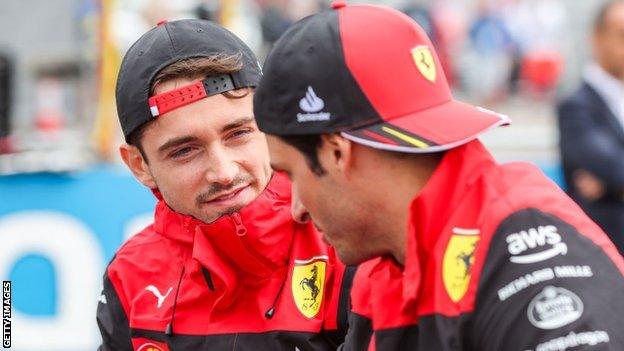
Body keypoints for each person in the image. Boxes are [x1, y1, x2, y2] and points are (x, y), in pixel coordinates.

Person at [253, 3, 624, 350]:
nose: (296, 208)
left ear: (337, 153)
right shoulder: (384, 266)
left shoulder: (528, 250)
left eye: (292, 174)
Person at [96, 19, 351, 351]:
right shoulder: (129, 274)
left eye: (238, 134)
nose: (224, 172)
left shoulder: (348, 245)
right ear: (139, 165)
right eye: (185, 151)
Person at [558, 0, 624, 254]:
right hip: (605, 253)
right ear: (597, 38)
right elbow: (615, 168)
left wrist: (611, 187)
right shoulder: (576, 107)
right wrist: (615, 180)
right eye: (621, 34)